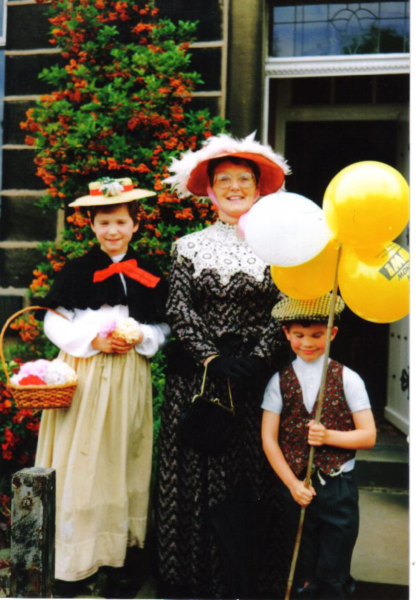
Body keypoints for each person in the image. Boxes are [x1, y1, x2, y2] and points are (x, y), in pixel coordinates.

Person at [155, 132, 292, 599]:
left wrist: (257, 358)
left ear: (259, 188)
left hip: (257, 379)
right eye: (225, 179)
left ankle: (253, 580)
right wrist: (212, 359)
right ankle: (196, 581)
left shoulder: (280, 245)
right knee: (199, 480)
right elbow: (179, 309)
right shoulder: (187, 246)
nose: (235, 187)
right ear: (211, 190)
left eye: (245, 179)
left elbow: (288, 303)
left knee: (254, 476)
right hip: (199, 381)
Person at [34, 177, 170, 597]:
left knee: (124, 459)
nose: (113, 231)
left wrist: (140, 337)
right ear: (92, 226)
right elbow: (52, 320)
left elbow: (164, 326)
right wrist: (90, 341)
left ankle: (121, 558)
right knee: (83, 463)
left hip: (129, 377)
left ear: (135, 225)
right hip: (86, 377)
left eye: (121, 222)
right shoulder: (76, 271)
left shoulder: (147, 272)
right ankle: (75, 559)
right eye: (104, 222)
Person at [261, 293, 377, 600]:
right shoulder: (279, 381)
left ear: (333, 333)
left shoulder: (348, 379)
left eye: (317, 335)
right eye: (299, 335)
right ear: (286, 334)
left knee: (333, 570)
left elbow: (368, 436)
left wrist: (329, 437)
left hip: (338, 490)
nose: (307, 343)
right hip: (296, 488)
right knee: (301, 569)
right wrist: (292, 484)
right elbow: (269, 439)